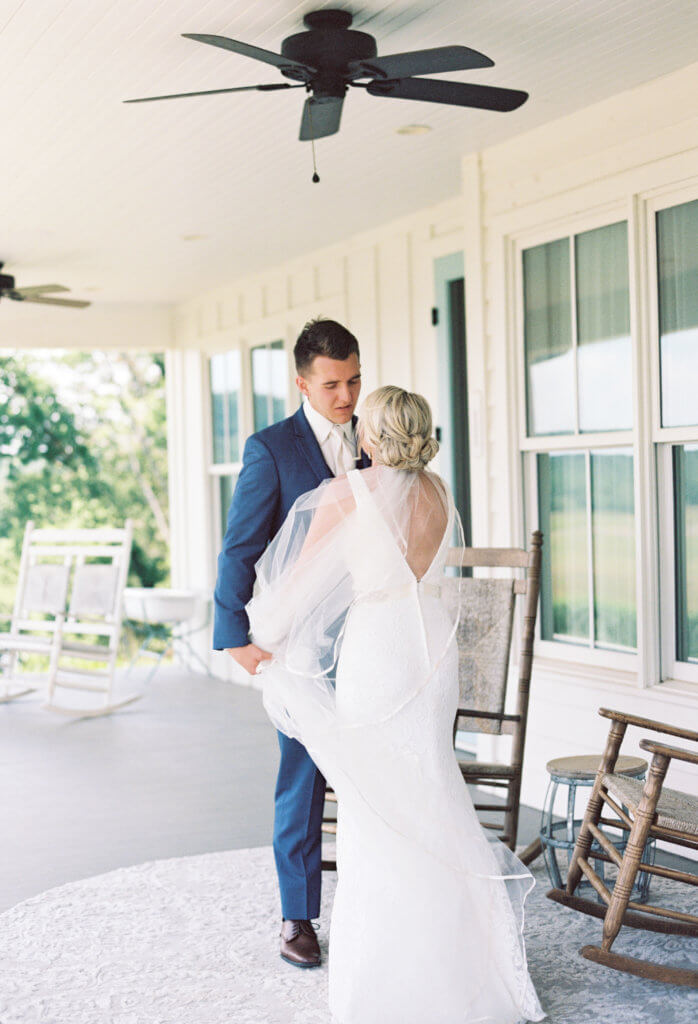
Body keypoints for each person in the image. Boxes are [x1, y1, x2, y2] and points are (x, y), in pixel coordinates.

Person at [247, 386, 544, 1024]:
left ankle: (385, 981)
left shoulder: (345, 496)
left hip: (380, 653)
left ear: (371, 437)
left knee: (375, 810)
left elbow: (294, 590)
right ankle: (463, 965)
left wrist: (260, 638)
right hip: (432, 653)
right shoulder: (438, 493)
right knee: (433, 793)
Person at [213, 318, 369, 969]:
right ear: (302, 381)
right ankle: (298, 917)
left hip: (372, 641)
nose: (346, 395)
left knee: (372, 772)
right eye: (332, 383)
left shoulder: (377, 437)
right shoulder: (271, 448)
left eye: (355, 379)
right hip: (301, 650)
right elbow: (240, 546)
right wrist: (232, 634)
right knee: (301, 780)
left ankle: (374, 904)